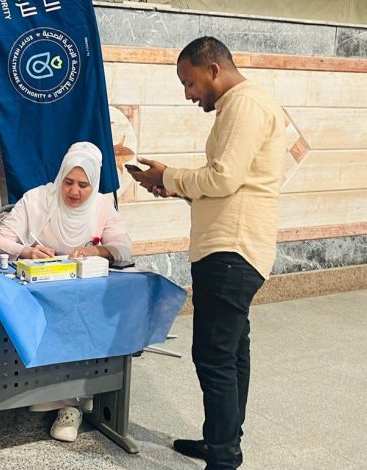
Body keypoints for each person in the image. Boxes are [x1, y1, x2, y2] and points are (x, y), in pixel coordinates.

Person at [130, 37, 285, 470]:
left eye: (190, 81)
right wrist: (172, 186)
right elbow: (231, 185)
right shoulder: (242, 105)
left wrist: (171, 175)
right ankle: (223, 440)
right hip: (233, 247)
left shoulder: (244, 104)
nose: (188, 93)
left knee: (214, 357)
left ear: (214, 69)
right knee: (232, 352)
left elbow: (223, 178)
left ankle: (223, 456)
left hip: (231, 251)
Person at [0, 141, 133, 442]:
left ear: (94, 184)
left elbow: (124, 249)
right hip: (36, 296)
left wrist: (96, 250)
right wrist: (27, 251)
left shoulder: (101, 206)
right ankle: (47, 396)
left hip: (81, 300)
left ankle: (71, 404)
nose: (74, 191)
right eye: (68, 182)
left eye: (84, 185)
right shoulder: (38, 199)